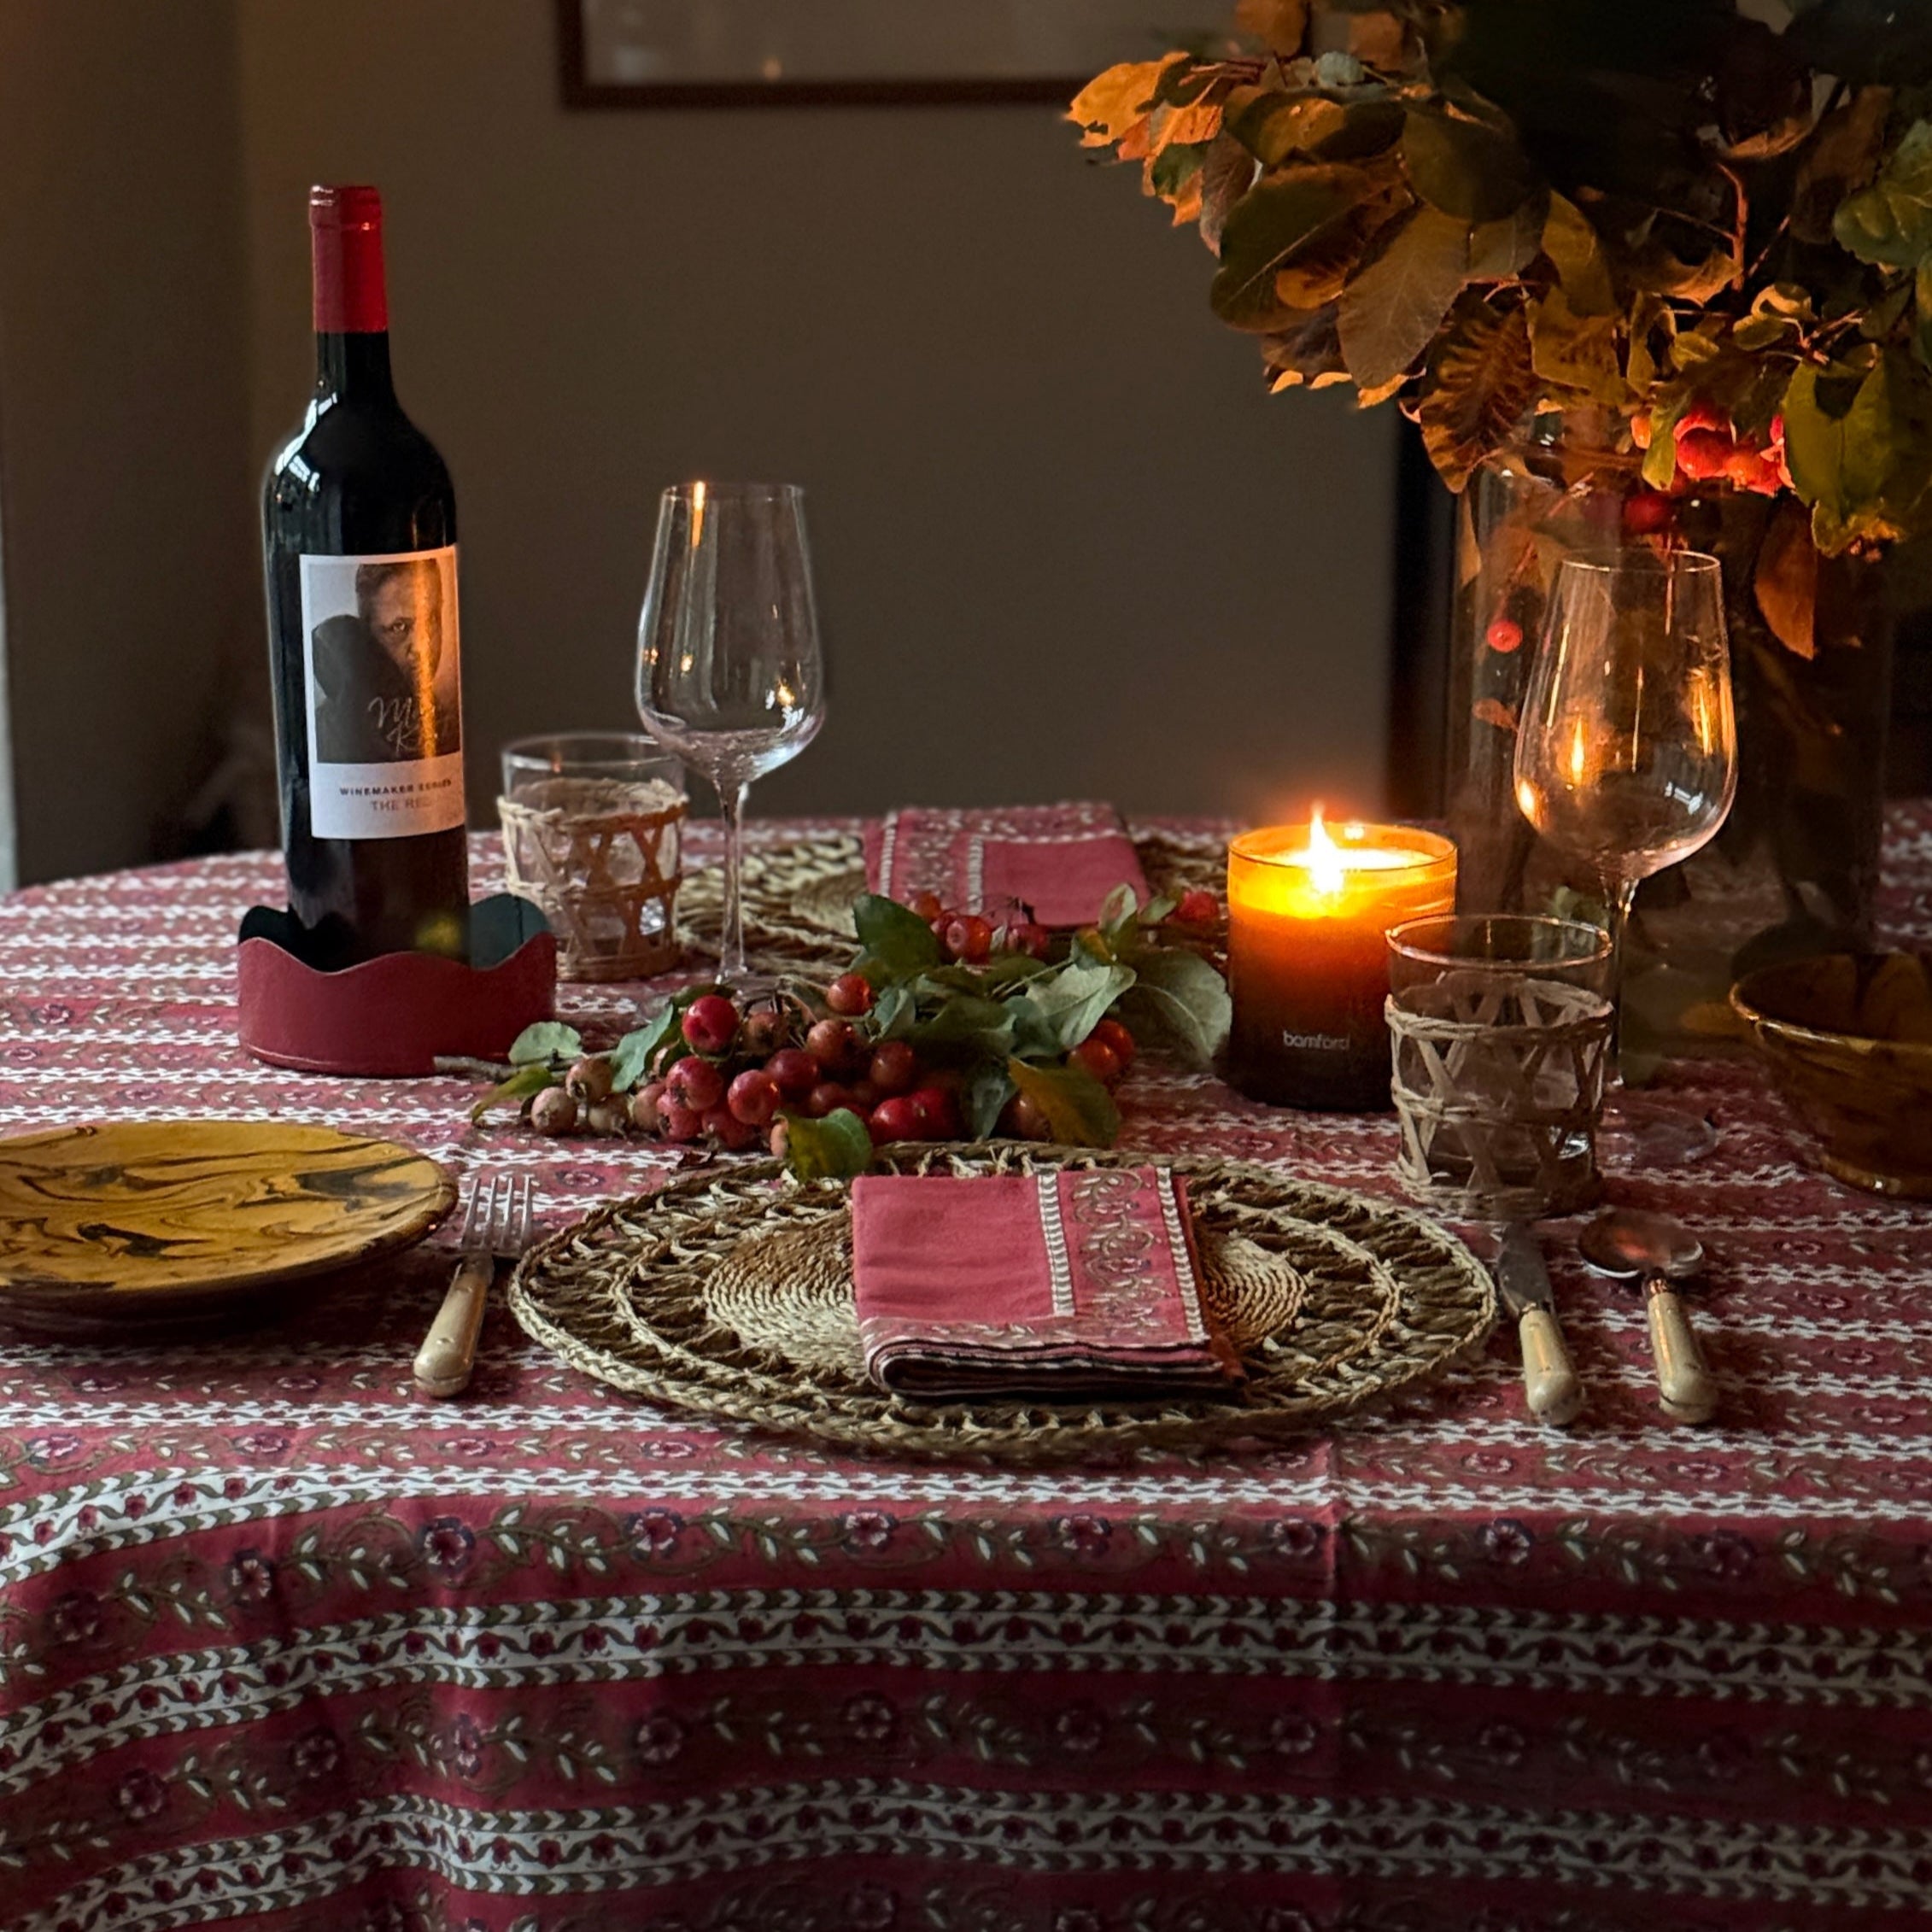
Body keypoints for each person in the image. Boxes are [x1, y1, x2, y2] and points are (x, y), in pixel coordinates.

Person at [311, 557, 461, 764]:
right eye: (398, 627)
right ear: (367, 634)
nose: (420, 647)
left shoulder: (453, 724)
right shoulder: (329, 732)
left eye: (430, 620)